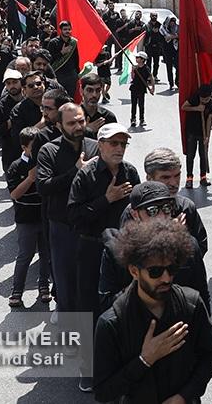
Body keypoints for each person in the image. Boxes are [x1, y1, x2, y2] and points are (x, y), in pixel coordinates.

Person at [93, 218, 212, 404]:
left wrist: (183, 396)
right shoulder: (112, 323)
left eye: (172, 268)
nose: (166, 278)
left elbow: (210, 355)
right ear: (134, 271)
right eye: (155, 272)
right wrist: (145, 359)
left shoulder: (191, 304)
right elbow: (103, 392)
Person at [98, 181, 211, 315]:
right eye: (152, 211)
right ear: (135, 214)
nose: (161, 216)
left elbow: (202, 295)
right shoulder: (116, 251)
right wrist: (140, 283)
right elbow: (107, 305)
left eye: (167, 208)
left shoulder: (189, 244)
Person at [68, 123, 139, 329]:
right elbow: (74, 217)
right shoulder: (86, 175)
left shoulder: (130, 172)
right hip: (92, 249)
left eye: (123, 144)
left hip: (122, 249)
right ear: (100, 145)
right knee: (89, 304)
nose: (119, 148)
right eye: (114, 143)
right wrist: (106, 199)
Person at [36, 103, 99, 318]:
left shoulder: (95, 147)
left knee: (92, 280)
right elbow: (44, 186)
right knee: (65, 280)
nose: (78, 127)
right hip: (63, 227)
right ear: (59, 126)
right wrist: (76, 171)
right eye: (71, 123)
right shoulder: (49, 151)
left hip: (91, 224)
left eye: (81, 121)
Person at [6, 127, 52, 308]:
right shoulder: (16, 167)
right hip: (26, 220)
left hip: (44, 217)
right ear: (24, 147)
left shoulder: (46, 164)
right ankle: (17, 291)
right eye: (34, 147)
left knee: (45, 254)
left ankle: (44, 287)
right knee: (25, 255)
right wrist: (30, 179)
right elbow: (14, 195)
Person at [0, 68, 26, 172]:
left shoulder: (29, 101)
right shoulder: (0, 106)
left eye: (15, 82)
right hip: (11, 151)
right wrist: (11, 122)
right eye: (8, 83)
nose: (12, 86)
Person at [181, 85, 212, 188]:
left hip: (202, 133)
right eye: (202, 99)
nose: (204, 101)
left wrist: (207, 137)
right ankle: (189, 178)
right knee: (190, 155)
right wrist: (196, 108)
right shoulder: (194, 98)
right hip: (191, 131)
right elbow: (184, 107)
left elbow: (209, 121)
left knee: (203, 155)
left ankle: (203, 177)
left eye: (206, 99)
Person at [47, 20, 80, 96]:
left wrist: (77, 73)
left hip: (71, 74)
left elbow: (76, 58)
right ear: (61, 30)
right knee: (59, 96)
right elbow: (49, 59)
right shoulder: (53, 42)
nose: (67, 31)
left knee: (71, 96)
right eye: (65, 29)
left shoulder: (73, 42)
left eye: (69, 29)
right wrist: (61, 53)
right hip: (58, 73)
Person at [81, 73, 117, 137]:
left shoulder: (108, 117)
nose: (94, 95)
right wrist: (86, 130)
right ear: (81, 91)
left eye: (98, 90)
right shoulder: (74, 117)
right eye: (90, 90)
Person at [130, 52, 155, 127]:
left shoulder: (146, 68)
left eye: (138, 57)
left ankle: (142, 119)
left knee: (141, 105)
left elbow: (151, 77)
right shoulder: (135, 67)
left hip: (141, 88)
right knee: (133, 104)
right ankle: (133, 119)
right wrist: (133, 70)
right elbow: (132, 77)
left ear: (142, 59)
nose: (136, 58)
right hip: (134, 87)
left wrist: (152, 88)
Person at [144, 13, 166, 82]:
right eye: (153, 16)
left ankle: (155, 75)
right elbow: (145, 34)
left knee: (156, 62)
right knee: (148, 62)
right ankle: (149, 76)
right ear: (150, 16)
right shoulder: (147, 25)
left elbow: (163, 34)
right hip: (149, 46)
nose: (154, 17)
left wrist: (158, 32)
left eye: (155, 16)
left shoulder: (159, 25)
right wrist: (152, 31)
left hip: (157, 46)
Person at [161, 17, 179, 90]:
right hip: (167, 50)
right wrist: (173, 36)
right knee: (169, 67)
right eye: (171, 22)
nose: (172, 23)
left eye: (173, 22)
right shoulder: (163, 29)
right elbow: (165, 38)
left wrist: (173, 36)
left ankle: (177, 81)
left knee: (178, 66)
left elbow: (180, 35)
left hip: (176, 49)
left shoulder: (177, 28)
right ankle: (171, 83)